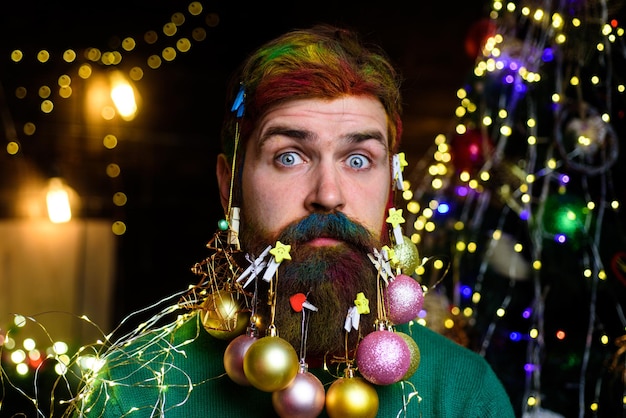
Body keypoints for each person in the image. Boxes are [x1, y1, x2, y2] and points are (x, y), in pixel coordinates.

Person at [66, 24, 515, 417]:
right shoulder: (135, 393)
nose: (329, 195)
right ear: (229, 187)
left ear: (391, 188)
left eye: (359, 159)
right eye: (289, 156)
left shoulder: (463, 394)